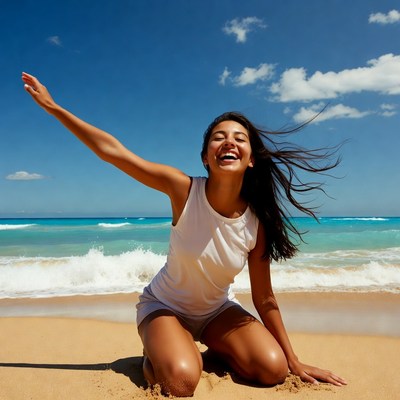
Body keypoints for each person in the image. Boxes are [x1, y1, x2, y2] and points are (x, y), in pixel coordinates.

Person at [22, 72, 347, 397]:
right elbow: (115, 153)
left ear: (250, 160)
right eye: (218, 137)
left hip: (217, 312)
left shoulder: (256, 222)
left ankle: (208, 350)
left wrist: (294, 360)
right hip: (164, 307)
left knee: (273, 369)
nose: (229, 142)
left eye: (239, 138)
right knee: (180, 382)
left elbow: (264, 298)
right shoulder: (184, 190)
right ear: (206, 157)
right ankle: (158, 353)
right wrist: (53, 107)